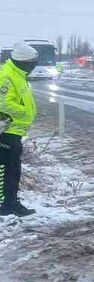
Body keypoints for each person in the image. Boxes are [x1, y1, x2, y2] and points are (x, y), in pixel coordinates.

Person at [0, 42, 40, 217]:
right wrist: (24, 112)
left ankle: (10, 202)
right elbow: (2, 102)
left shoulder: (18, 74)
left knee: (13, 169)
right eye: (31, 63)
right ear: (23, 62)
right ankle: (5, 205)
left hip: (14, 131)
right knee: (6, 169)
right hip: (6, 131)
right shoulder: (7, 75)